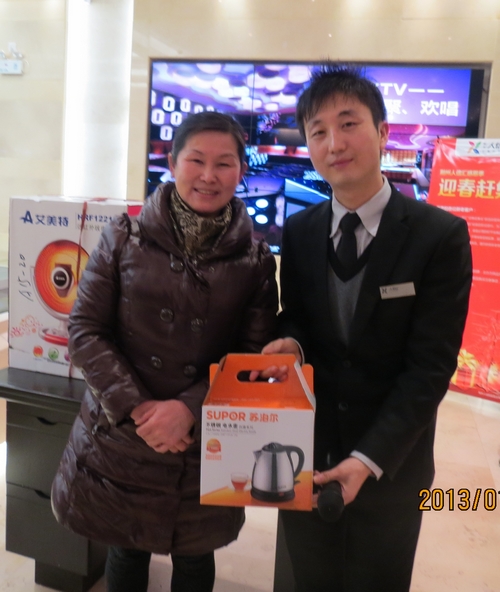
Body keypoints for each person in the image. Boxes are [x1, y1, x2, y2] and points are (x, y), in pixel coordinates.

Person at [259, 64, 473, 592]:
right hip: (306, 456)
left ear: (382, 132)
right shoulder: (301, 230)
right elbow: (298, 316)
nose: (334, 143)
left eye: (348, 124)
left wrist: (368, 458)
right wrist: (291, 343)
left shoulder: (439, 236)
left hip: (390, 467)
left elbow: (430, 367)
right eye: (318, 131)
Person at [51, 111, 278, 592]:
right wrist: (140, 409)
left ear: (241, 171)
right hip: (124, 434)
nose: (209, 175)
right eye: (196, 160)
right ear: (172, 163)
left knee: (195, 556)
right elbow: (86, 330)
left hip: (204, 438)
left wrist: (188, 410)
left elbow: (252, 356)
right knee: (126, 547)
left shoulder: (255, 261)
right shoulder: (123, 236)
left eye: (224, 163)